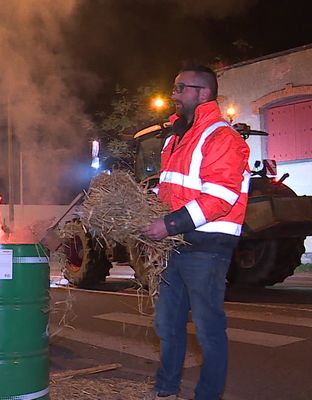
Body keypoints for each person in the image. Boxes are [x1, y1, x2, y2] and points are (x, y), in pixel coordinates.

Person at [142, 65, 250, 400]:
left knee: (207, 330)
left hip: (207, 247)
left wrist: (168, 224)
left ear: (202, 93)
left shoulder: (221, 137)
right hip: (175, 247)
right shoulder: (176, 139)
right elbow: (170, 192)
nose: (174, 95)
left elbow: (220, 198)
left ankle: (208, 395)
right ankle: (166, 389)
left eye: (179, 89)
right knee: (167, 325)